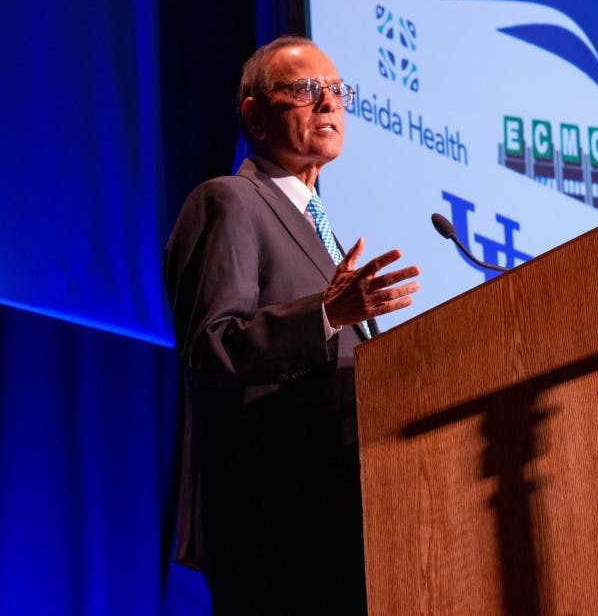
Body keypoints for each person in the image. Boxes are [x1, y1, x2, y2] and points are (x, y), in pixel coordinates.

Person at [163, 35, 420, 615]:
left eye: (336, 91)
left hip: (348, 511)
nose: (328, 104)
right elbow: (210, 348)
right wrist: (327, 314)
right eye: (305, 90)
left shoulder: (321, 227)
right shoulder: (227, 201)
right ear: (254, 114)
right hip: (273, 513)